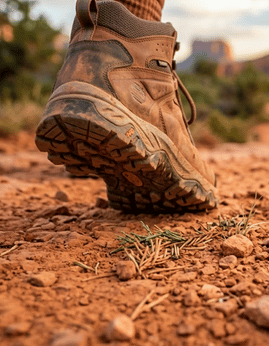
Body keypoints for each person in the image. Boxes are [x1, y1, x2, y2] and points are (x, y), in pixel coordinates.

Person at [35, 0, 218, 213]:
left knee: (109, 10)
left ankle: (88, 60)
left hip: (76, 61)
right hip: (128, 80)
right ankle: (135, 81)